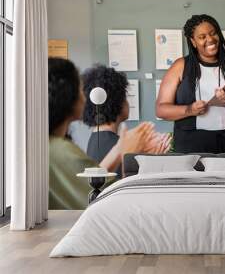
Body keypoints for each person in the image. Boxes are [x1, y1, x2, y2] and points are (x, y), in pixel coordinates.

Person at [49, 58, 158, 209]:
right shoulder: (61, 150)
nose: (86, 98)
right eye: (80, 91)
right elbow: (107, 200)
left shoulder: (87, 141)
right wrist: (126, 153)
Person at [156, 14, 225, 153]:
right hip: (192, 143)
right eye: (202, 37)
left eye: (213, 33)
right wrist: (189, 110)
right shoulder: (180, 66)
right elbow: (161, 110)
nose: (210, 39)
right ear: (193, 41)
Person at [83, 65, 171, 178]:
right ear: (117, 101)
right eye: (125, 97)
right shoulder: (118, 145)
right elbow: (129, 184)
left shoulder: (96, 139)